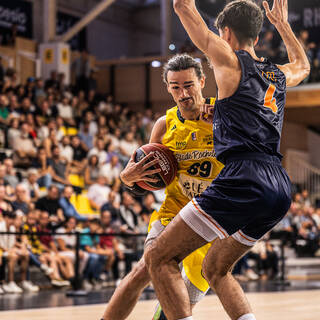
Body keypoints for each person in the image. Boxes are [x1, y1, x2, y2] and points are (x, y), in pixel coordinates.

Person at [143, 1, 310, 320]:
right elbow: (302, 66)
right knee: (216, 269)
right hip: (278, 186)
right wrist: (283, 25)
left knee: (159, 258)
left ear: (226, 33)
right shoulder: (276, 75)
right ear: (257, 37)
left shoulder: (229, 60)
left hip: (242, 176)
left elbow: (182, 6)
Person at [102, 54, 223, 320]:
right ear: (167, 87)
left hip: (214, 217)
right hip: (174, 211)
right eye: (176, 86)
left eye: (189, 84)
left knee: (185, 299)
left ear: (202, 81)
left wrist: (224, 128)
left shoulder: (224, 116)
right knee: (143, 270)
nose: (183, 93)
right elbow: (147, 181)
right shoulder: (164, 124)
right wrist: (129, 179)